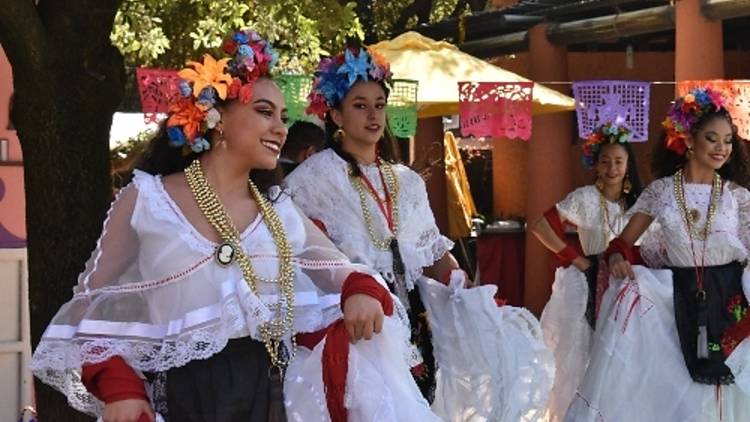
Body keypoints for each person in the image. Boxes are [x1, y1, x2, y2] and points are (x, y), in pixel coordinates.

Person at [29, 29, 438, 422]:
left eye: (282, 115)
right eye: (264, 112)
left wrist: (359, 291)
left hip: (275, 395)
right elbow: (89, 303)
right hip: (185, 400)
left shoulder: (278, 208)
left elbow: (338, 270)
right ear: (217, 117)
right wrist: (121, 385)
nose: (280, 127)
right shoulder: (148, 200)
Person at [286, 44, 554, 422]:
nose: (373, 114)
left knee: (420, 403)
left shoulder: (406, 181)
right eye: (360, 105)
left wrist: (463, 286)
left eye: (379, 104)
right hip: (358, 322)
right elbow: (301, 256)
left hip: (413, 319)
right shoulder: (311, 179)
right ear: (335, 114)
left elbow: (431, 253)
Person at [567, 87, 750, 421]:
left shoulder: (736, 197)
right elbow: (620, 244)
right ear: (689, 140)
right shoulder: (661, 192)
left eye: (727, 140)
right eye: (712, 138)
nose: (721, 148)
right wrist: (617, 258)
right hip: (677, 296)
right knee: (682, 393)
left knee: (731, 390)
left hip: (729, 296)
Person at [530, 121, 642, 422]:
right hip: (592, 281)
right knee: (587, 354)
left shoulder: (639, 204)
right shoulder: (585, 198)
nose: (612, 168)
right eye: (605, 161)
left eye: (619, 161)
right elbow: (540, 226)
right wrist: (576, 259)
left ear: (629, 163)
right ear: (596, 164)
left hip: (629, 286)